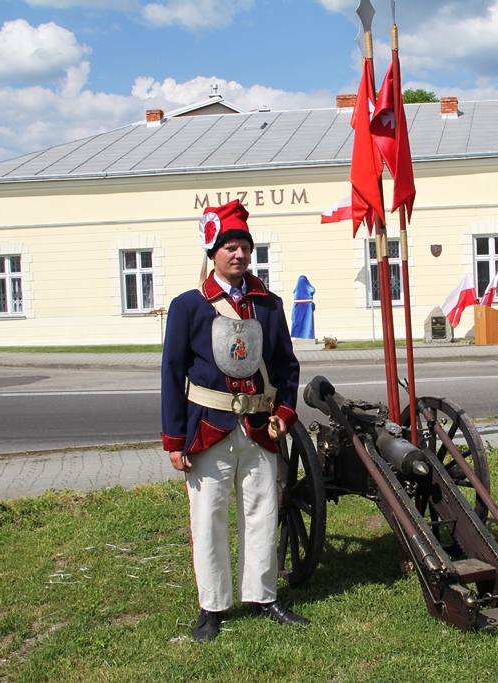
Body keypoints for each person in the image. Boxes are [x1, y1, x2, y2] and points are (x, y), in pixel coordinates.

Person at [160, 199, 308, 643]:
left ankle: (263, 595)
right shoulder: (189, 306)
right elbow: (172, 373)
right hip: (208, 426)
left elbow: (285, 366)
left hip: (260, 428)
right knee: (209, 516)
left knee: (263, 512)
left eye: (244, 245)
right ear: (214, 252)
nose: (239, 254)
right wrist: (174, 439)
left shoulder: (268, 304)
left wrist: (283, 411)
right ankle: (212, 606)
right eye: (230, 246)